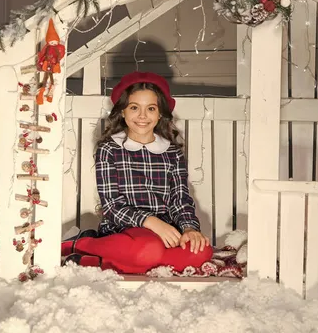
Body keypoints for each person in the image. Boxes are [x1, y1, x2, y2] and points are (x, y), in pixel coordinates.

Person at [61, 71, 213, 274]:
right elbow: (112, 207)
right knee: (147, 248)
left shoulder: (172, 153)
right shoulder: (110, 149)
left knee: (202, 253)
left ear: (160, 114)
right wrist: (150, 222)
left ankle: (110, 262)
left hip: (165, 231)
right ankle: (82, 244)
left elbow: (181, 200)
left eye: (151, 108)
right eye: (134, 108)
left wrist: (188, 228)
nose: (142, 116)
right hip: (124, 228)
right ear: (122, 111)